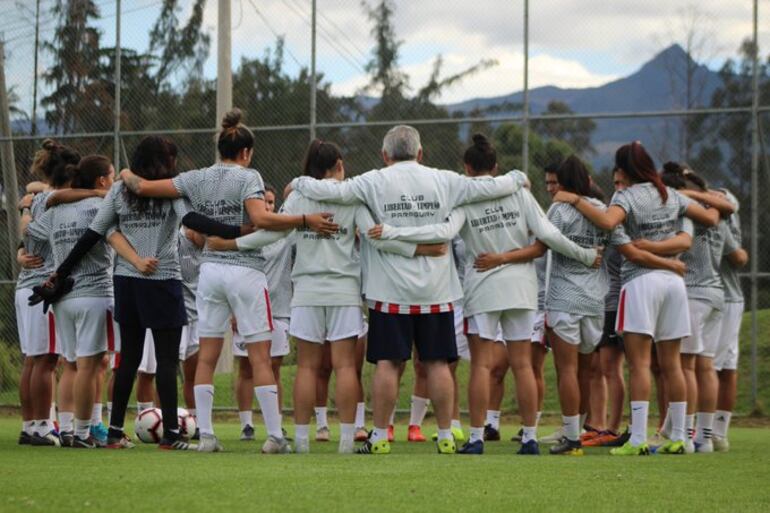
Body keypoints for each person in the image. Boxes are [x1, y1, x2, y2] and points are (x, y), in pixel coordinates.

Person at [290, 126, 526, 455]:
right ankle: (445, 435)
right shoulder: (444, 179)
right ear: (420, 153)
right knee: (437, 364)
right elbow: (488, 186)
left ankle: (380, 436)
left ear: (385, 155)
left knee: (388, 364)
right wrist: (516, 178)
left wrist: (299, 182)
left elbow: (335, 191)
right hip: (437, 290)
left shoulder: (372, 181)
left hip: (389, 291)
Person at [119, 111, 337, 454]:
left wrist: (124, 172)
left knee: (206, 357)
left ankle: (207, 436)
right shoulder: (249, 176)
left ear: (220, 148)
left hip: (210, 272)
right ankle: (275, 437)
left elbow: (141, 186)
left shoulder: (196, 177)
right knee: (260, 357)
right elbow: (261, 218)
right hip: (245, 271)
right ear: (246, 152)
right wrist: (305, 219)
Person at [371, 134, 601, 455]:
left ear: (467, 167)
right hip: (521, 290)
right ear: (496, 167)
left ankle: (477, 438)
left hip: (482, 288)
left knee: (481, 365)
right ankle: (530, 438)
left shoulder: (465, 198)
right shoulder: (519, 193)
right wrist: (586, 255)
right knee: (523, 365)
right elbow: (549, 235)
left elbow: (444, 232)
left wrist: (392, 232)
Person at [209, 138, 441, 454]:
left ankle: (302, 441)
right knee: (345, 367)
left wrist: (229, 244)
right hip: (343, 291)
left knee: (307, 367)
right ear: (339, 165)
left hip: (306, 292)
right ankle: (346, 442)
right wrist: (421, 249)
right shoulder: (351, 198)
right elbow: (377, 238)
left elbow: (269, 234)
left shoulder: (299, 197)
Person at [552, 141, 719, 456]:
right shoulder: (670, 195)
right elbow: (711, 218)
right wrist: (671, 249)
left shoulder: (625, 197)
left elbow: (606, 222)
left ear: (623, 169)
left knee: (639, 364)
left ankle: (638, 438)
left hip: (640, 283)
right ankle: (679, 437)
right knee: (672, 364)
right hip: (674, 285)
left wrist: (574, 199)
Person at [26, 155, 116, 448]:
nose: (113, 181)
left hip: (62, 298)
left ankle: (65, 430)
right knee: (91, 366)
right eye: (111, 176)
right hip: (95, 293)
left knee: (70, 364)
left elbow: (31, 232)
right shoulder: (101, 206)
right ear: (101, 180)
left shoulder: (57, 210)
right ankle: (83, 433)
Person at [659, 163, 742, 453]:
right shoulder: (716, 213)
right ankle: (705, 437)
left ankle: (685, 434)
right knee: (706, 367)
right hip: (717, 294)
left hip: (693, 293)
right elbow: (735, 251)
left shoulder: (682, 214)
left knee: (685, 366)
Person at [15, 140, 82, 446]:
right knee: (47, 361)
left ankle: (30, 425)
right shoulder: (58, 200)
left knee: (33, 360)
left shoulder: (38, 199)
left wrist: (27, 205)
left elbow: (33, 190)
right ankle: (42, 425)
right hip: (43, 289)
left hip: (26, 285)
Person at [543, 155, 610, 456]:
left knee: (566, 370)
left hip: (564, 298)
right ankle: (579, 431)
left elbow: (544, 241)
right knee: (585, 371)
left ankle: (571, 437)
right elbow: (616, 238)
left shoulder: (559, 210)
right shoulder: (601, 209)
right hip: (594, 301)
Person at [231, 183, 293, 442]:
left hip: (279, 310)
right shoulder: (244, 236)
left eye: (271, 202)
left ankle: (275, 424)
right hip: (247, 309)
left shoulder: (285, 234)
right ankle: (247, 424)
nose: (267, 206)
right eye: (263, 202)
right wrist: (234, 310)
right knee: (246, 368)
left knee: (274, 368)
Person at [712, 188, 748, 451]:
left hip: (723, 298)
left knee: (714, 366)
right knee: (720, 366)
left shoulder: (723, 215)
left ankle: (712, 431)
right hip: (720, 298)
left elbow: (739, 258)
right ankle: (714, 432)